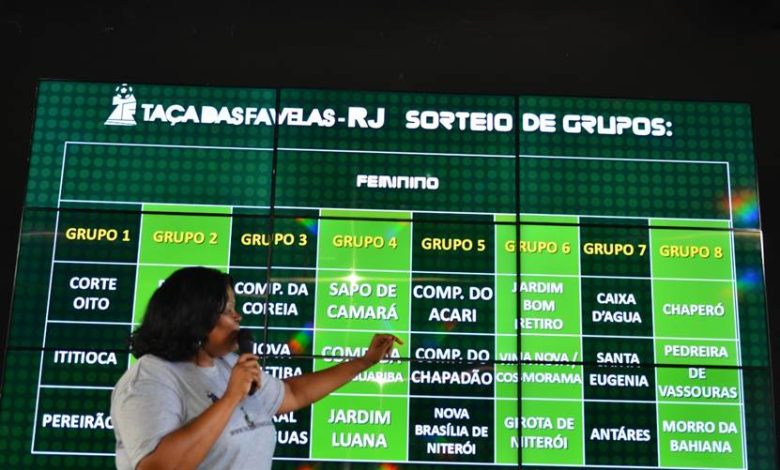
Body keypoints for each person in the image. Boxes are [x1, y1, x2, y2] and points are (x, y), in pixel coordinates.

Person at [110, 266, 400, 470]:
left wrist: (364, 362)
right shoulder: (150, 380)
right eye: (227, 310)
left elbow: (293, 394)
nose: (239, 317)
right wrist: (231, 398)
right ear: (196, 318)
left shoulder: (226, 365)